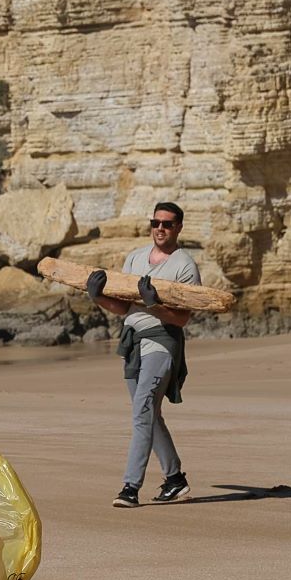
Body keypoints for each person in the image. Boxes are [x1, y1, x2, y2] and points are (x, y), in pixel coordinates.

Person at [83, 201, 200, 507]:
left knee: (141, 413)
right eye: (156, 223)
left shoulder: (185, 266)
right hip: (133, 342)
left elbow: (182, 319)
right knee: (148, 413)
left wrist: (154, 305)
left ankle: (130, 487)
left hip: (162, 343)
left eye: (167, 224)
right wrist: (97, 297)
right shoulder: (134, 258)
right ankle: (175, 480)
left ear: (178, 228)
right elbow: (123, 307)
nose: (160, 228)